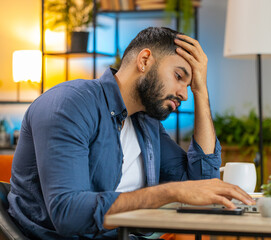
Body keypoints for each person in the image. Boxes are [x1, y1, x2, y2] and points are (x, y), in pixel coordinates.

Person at [8, 27, 255, 239]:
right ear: (144, 60)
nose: (184, 94)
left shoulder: (145, 124)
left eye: (190, 86)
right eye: (179, 76)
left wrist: (202, 92)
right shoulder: (70, 104)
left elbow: (202, 182)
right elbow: (68, 214)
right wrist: (170, 192)